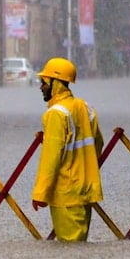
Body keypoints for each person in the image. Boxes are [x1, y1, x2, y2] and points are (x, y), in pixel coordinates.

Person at [30, 57, 104, 242]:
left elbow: (51, 158)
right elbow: (98, 144)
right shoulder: (85, 108)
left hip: (66, 194)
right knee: (79, 248)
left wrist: (40, 193)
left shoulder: (56, 114)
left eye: (44, 83)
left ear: (55, 83)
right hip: (85, 190)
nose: (41, 87)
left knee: (70, 250)